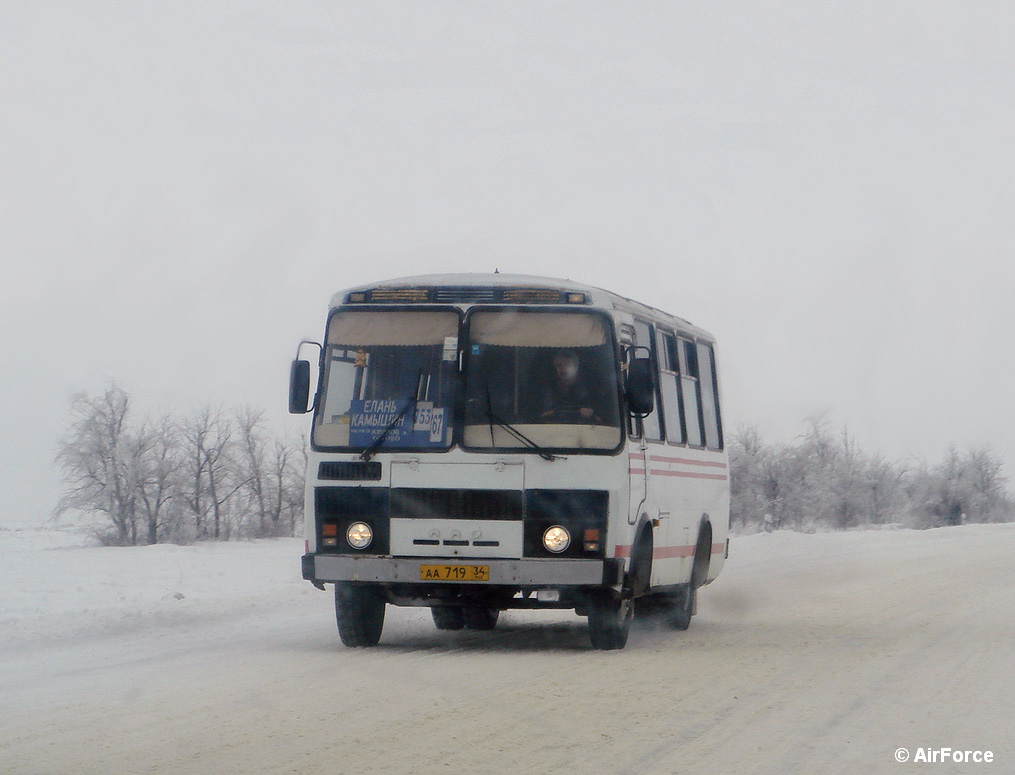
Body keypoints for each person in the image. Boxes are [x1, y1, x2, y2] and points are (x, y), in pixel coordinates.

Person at [537, 350, 605, 423]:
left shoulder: (591, 390)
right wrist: (549, 414)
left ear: (576, 367)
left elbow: (603, 420)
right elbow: (536, 418)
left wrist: (590, 414)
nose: (563, 369)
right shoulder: (547, 390)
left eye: (567, 365)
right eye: (559, 366)